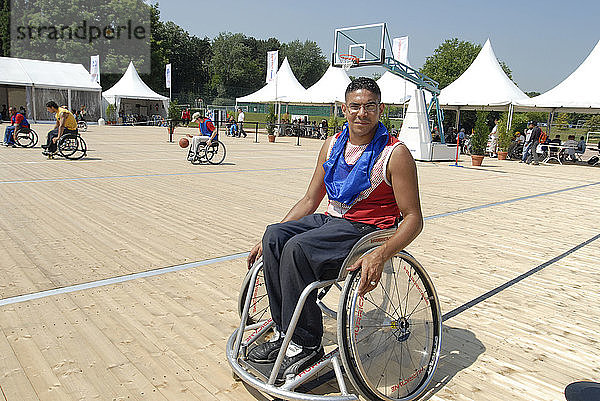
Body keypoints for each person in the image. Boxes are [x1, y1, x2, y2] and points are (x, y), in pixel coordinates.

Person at [245, 77, 423, 381]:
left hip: (366, 229)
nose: (361, 113)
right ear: (344, 109)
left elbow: (413, 219)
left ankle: (306, 343)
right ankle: (285, 330)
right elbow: (310, 199)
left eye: (369, 107)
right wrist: (270, 234)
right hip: (333, 221)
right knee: (276, 237)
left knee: (297, 249)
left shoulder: (395, 154)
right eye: (355, 106)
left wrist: (381, 254)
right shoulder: (332, 145)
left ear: (381, 109)